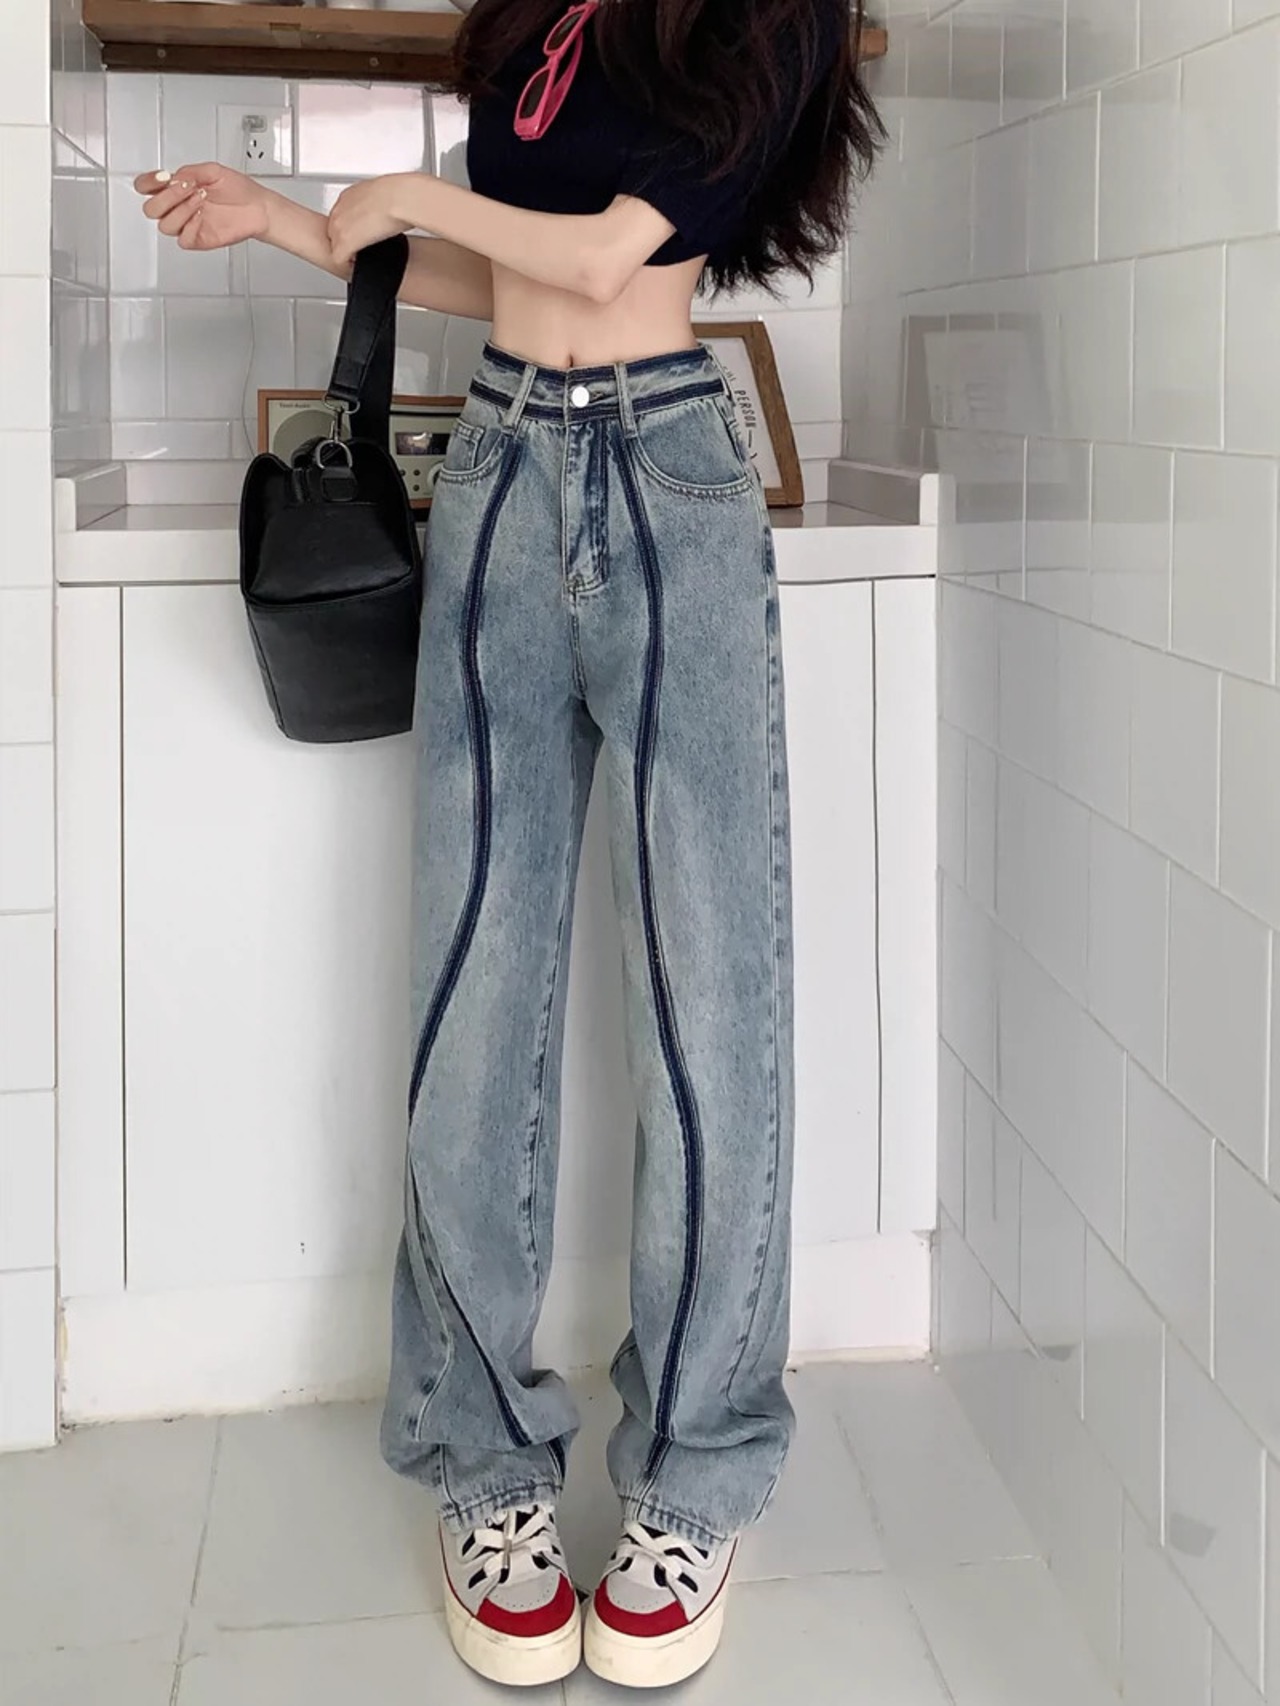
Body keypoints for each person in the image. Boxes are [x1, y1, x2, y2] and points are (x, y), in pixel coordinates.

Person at [135, 0, 882, 1687]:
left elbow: (614, 256)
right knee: (475, 998)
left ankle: (695, 1480)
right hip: (497, 468)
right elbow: (517, 280)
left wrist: (399, 196)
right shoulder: (546, 16)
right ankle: (486, 1470)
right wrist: (292, 225)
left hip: (671, 472)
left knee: (710, 1010)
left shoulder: (770, 12)